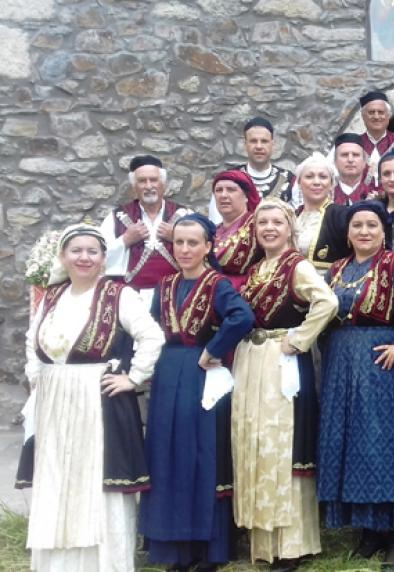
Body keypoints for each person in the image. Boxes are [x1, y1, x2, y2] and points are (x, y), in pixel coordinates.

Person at [23, 224, 164, 572]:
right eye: (76, 251)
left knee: (97, 480)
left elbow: (151, 336)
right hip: (54, 400)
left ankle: (104, 564)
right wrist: (37, 377)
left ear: (103, 258)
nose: (84, 258)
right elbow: (32, 340)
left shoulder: (118, 294)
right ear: (63, 257)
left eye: (92, 251)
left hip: (97, 399)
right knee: (58, 476)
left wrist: (133, 377)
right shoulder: (52, 296)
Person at [318, 201, 394, 568]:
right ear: (347, 233)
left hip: (378, 365)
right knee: (351, 444)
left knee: (380, 445)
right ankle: (368, 530)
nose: (364, 231)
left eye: (372, 225)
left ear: (384, 231)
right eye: (357, 225)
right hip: (342, 364)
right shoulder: (336, 270)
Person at [140, 214, 255, 572]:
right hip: (167, 373)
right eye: (179, 243)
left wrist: (214, 349)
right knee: (168, 454)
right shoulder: (165, 285)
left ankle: (208, 548)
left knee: (202, 453)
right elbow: (150, 329)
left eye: (193, 243)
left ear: (208, 247)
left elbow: (242, 317)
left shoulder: (218, 284)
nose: (185, 249)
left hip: (201, 376)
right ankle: (177, 548)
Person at [231, 197, 338, 570]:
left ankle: (292, 543)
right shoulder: (257, 269)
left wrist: (299, 339)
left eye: (277, 222)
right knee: (256, 440)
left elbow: (327, 302)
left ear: (290, 228)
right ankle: (264, 539)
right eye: (263, 223)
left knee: (282, 444)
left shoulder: (297, 266)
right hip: (252, 359)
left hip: (282, 359)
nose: (269, 229)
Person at [101, 155, 189, 306]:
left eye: (153, 180)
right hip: (130, 300)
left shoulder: (185, 215)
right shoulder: (115, 218)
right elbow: (99, 258)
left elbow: (203, 252)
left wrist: (177, 238)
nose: (149, 186)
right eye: (142, 181)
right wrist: (125, 240)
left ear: (163, 184)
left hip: (177, 297)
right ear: (134, 186)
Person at [208, 116, 297, 222]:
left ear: (272, 145)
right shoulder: (228, 179)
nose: (259, 146)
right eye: (253, 141)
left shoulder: (289, 180)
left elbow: (296, 220)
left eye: (264, 141)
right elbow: (216, 221)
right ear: (245, 144)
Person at [293, 152, 350, 275]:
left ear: (331, 184)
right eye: (309, 177)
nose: (316, 182)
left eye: (323, 177)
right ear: (299, 182)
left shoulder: (341, 215)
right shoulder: (292, 216)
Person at [212, 169, 262, 289]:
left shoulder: (258, 225)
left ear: (246, 197)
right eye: (219, 190)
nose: (223, 195)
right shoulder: (212, 231)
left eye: (231, 189)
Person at [332, 133, 377, 206]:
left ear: (364, 161)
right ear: (335, 161)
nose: (350, 160)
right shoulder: (325, 196)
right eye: (344, 155)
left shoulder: (376, 197)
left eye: (355, 155)